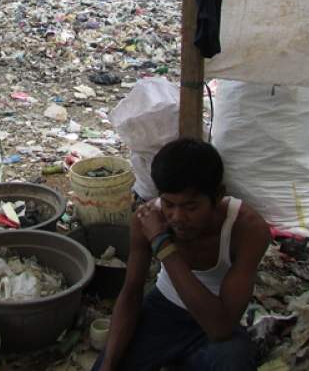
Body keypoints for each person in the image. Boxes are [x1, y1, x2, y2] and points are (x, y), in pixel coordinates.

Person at [93, 138, 271, 371]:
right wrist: (108, 364)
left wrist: (163, 244)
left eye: (191, 207)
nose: (177, 217)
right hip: (164, 309)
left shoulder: (247, 229)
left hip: (216, 317)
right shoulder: (147, 219)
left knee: (232, 361)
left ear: (218, 196)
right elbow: (131, 293)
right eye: (168, 204)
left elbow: (220, 328)